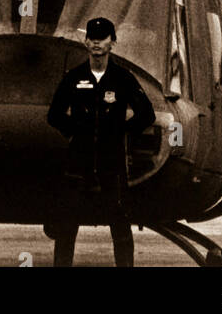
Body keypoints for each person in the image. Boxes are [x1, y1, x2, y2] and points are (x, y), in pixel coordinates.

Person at [46, 15, 156, 267]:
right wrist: (74, 131)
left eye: (102, 39)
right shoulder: (73, 77)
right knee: (67, 225)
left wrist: (123, 131)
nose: (96, 44)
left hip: (112, 164)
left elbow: (146, 114)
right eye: (92, 39)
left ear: (112, 43)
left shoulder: (123, 78)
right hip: (78, 162)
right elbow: (54, 114)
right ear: (85, 42)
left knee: (119, 224)